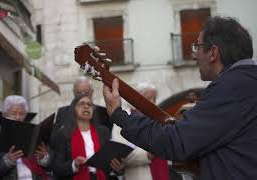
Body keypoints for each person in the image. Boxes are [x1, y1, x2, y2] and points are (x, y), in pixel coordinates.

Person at [102, 16, 257, 180]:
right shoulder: (247, 84)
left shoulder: (230, 88)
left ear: (213, 53)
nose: (194, 56)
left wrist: (118, 114)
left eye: (197, 47)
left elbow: (176, 141)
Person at [111, 83, 169, 180]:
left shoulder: (159, 119)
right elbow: (120, 152)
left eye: (154, 99)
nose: (153, 103)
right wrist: (149, 154)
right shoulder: (124, 118)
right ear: (136, 99)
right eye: (149, 99)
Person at [0, 95, 49, 179]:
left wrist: (44, 158)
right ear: (5, 115)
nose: (18, 117)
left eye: (21, 114)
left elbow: (49, 166)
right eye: (14, 113)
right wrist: (7, 160)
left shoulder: (33, 134)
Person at [51, 94, 112, 180]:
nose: (86, 106)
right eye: (81, 104)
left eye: (89, 105)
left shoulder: (103, 132)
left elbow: (109, 159)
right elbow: (57, 167)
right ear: (74, 109)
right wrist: (74, 164)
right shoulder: (63, 134)